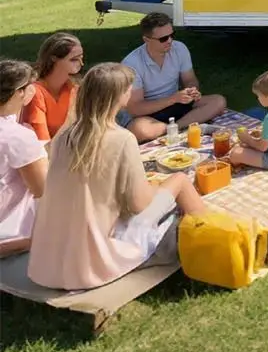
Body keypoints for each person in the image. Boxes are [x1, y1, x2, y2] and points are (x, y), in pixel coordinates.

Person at [28, 63, 211, 291]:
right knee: (179, 181)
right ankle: (212, 240)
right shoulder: (121, 139)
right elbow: (139, 204)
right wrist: (154, 187)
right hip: (93, 260)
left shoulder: (65, 136)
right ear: (121, 96)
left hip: (48, 262)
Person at [120, 12, 227, 143]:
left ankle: (176, 129)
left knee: (218, 101)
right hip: (149, 114)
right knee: (139, 129)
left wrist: (191, 91)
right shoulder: (132, 64)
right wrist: (173, 99)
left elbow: (190, 80)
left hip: (177, 104)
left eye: (172, 35)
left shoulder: (179, 48)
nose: (170, 41)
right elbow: (135, 109)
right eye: (163, 38)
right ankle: (182, 127)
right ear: (146, 39)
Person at [0, 60, 48, 257]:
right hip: (9, 223)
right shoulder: (15, 136)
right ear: (19, 92)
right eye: (31, 87)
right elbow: (44, 190)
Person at [23, 32, 83, 142]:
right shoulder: (35, 92)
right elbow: (41, 140)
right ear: (54, 58)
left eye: (81, 57)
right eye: (74, 59)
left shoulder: (75, 88)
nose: (81, 63)